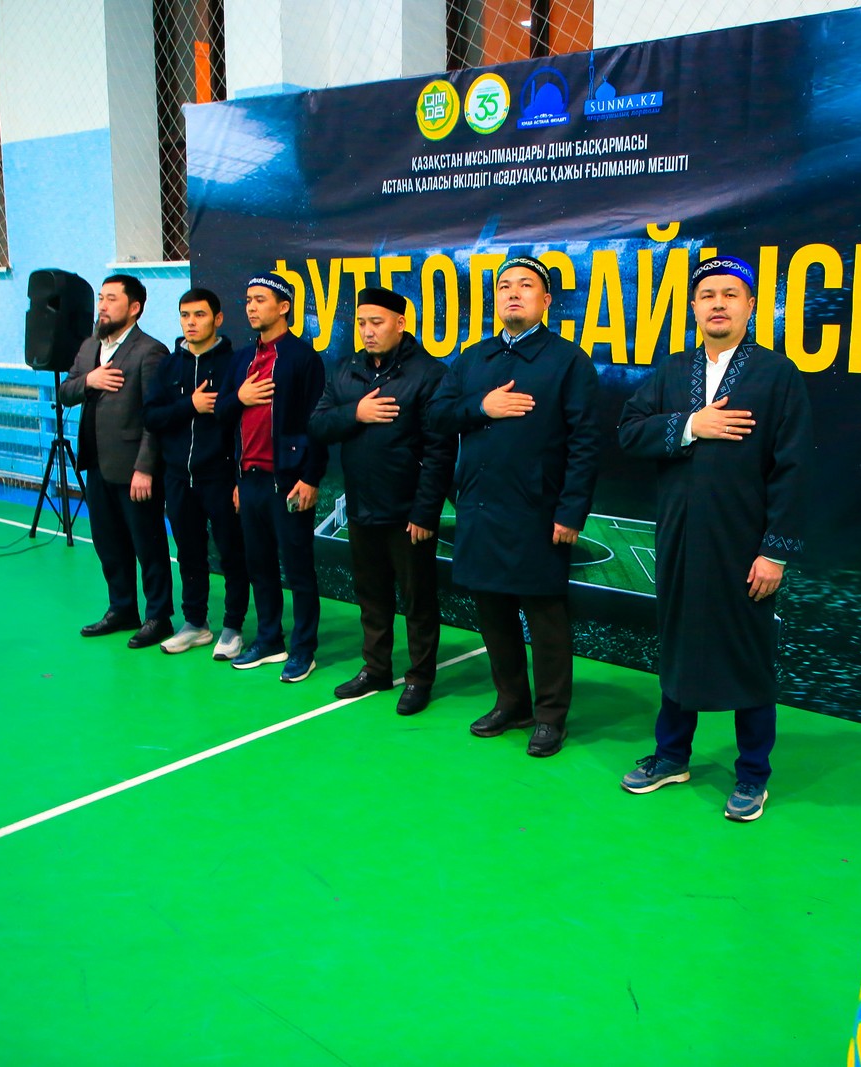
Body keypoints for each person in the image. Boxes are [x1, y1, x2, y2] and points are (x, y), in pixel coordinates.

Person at [615, 256, 812, 822]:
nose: (718, 303)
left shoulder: (778, 374)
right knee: (678, 645)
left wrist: (774, 551)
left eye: (730, 294)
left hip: (744, 544)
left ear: (751, 306)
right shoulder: (673, 371)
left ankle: (753, 774)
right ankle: (671, 756)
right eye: (707, 295)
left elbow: (794, 468)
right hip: (681, 537)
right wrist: (689, 425)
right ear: (694, 308)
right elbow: (628, 432)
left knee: (748, 654)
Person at [427, 256, 602, 757]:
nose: (513, 293)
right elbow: (437, 415)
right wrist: (481, 407)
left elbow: (586, 443)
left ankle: (550, 716)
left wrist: (571, 511)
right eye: (504, 285)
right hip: (480, 508)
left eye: (526, 286)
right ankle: (512, 703)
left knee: (545, 618)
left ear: (546, 300)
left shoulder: (568, 361)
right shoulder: (473, 358)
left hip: (538, 512)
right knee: (492, 611)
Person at [310, 286, 454, 715]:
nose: (368, 331)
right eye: (361, 323)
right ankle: (375, 668)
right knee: (371, 595)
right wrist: (356, 413)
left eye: (376, 322)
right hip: (362, 506)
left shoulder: (429, 374)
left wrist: (425, 511)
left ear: (400, 324)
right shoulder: (347, 369)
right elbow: (318, 424)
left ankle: (420, 678)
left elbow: (440, 451)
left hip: (408, 513)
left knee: (418, 600)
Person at [215, 272, 327, 683]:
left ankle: (303, 649)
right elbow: (222, 413)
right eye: (248, 299)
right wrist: (239, 397)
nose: (251, 307)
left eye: (260, 299)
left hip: (288, 484)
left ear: (284, 306)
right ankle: (269, 640)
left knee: (298, 570)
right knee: (259, 566)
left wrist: (311, 477)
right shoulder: (241, 359)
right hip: (250, 481)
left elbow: (319, 424)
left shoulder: (302, 358)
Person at [60, 274, 174, 649]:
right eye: (101, 298)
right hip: (97, 463)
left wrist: (145, 467)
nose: (103, 306)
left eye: (111, 299)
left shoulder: (150, 352)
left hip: (134, 468)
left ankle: (158, 616)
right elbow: (66, 392)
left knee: (148, 545)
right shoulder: (89, 346)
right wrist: (90, 380)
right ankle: (122, 608)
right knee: (107, 542)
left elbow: (155, 418)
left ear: (134, 307)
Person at [143, 288, 249, 660]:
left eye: (199, 315)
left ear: (218, 319)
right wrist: (190, 404)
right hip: (177, 478)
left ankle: (233, 627)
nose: (191, 323)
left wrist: (239, 479)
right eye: (185, 315)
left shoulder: (234, 364)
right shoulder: (169, 366)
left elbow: (243, 423)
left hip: (220, 477)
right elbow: (151, 417)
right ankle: (195, 624)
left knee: (232, 553)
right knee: (188, 552)